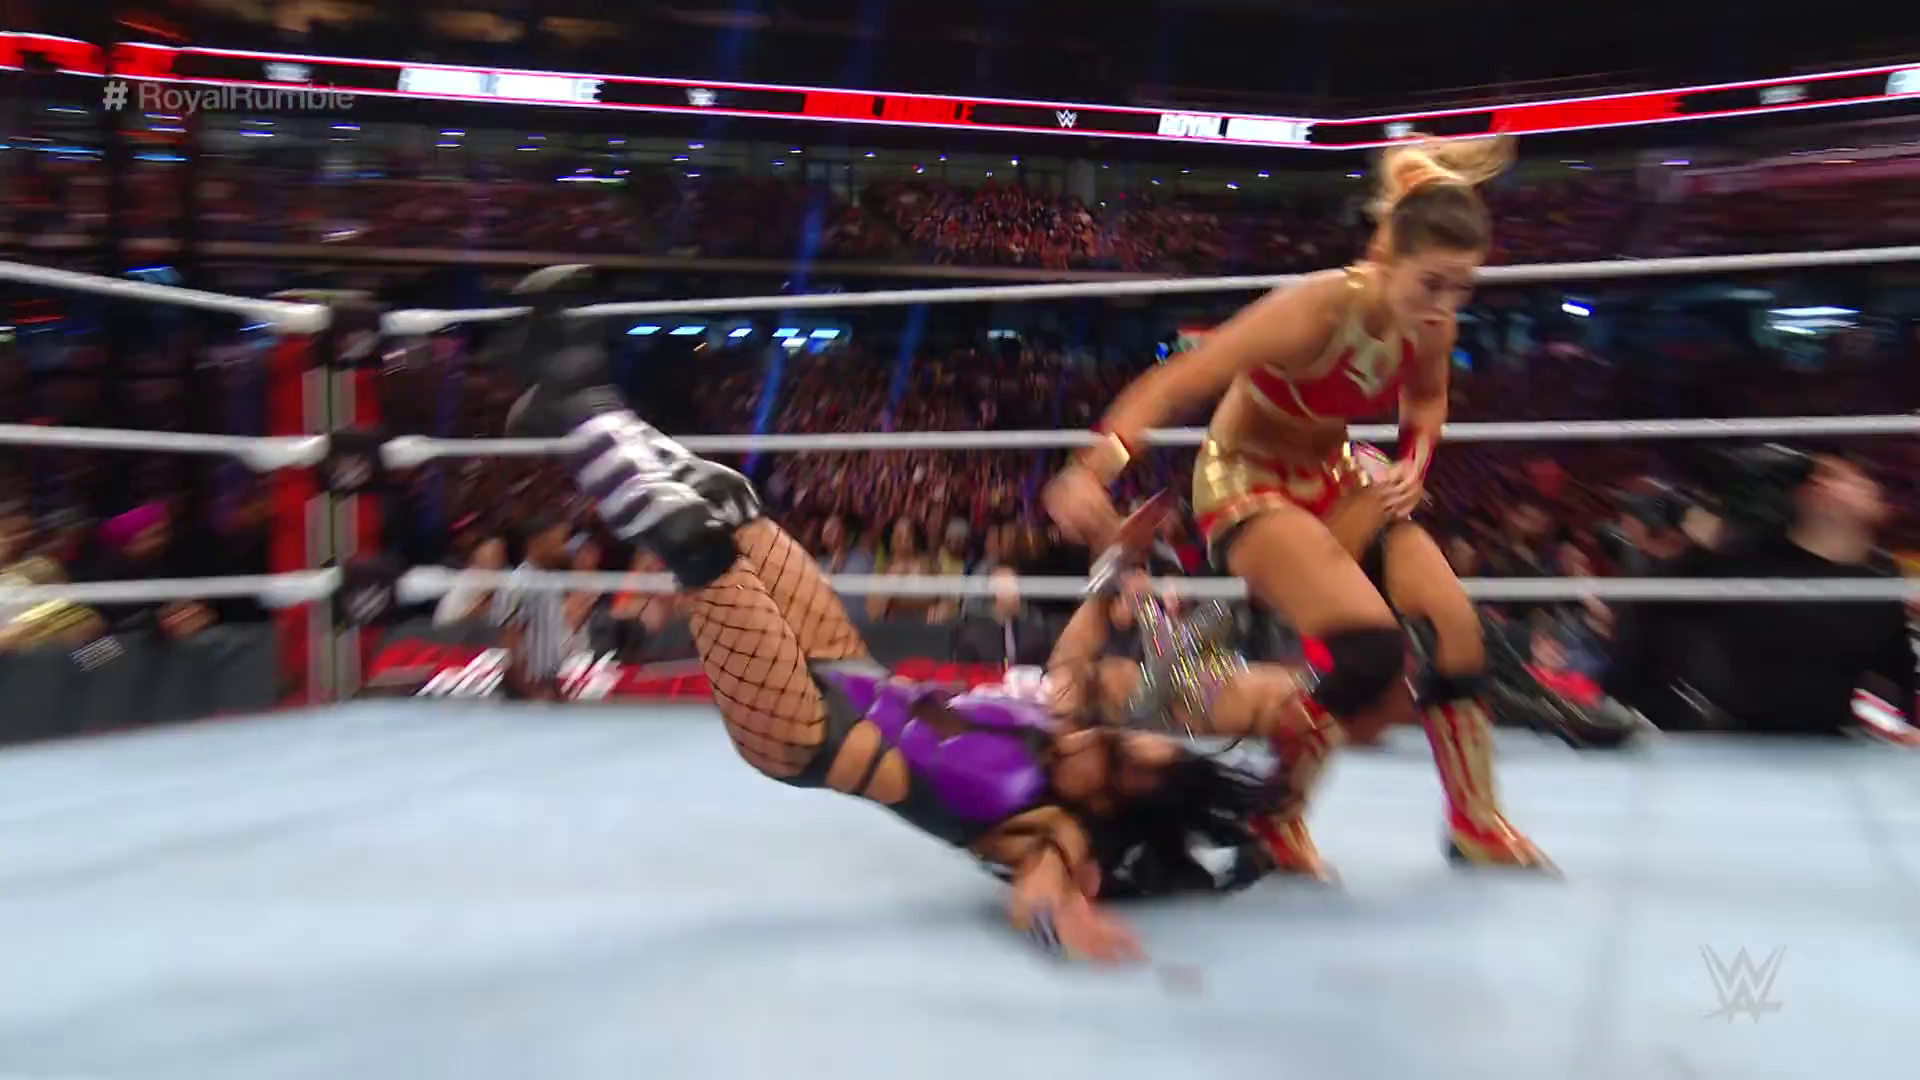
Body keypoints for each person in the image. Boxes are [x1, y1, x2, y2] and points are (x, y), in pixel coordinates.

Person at [484, 265, 1282, 964]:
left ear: (1105, 804)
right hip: (850, 665)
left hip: (805, 732)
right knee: (732, 500)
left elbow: (1042, 893)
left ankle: (580, 401)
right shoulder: (1062, 727)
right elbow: (1080, 643)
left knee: (699, 543)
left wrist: (1060, 925)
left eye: (1110, 754)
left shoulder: (1052, 833)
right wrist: (1117, 565)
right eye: (1117, 735)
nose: (1096, 736)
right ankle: (567, 414)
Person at [1043, 137, 1552, 877]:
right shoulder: (1313, 309)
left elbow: (1426, 400)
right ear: (1388, 259)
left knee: (1455, 626)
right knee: (1371, 650)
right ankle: (1275, 814)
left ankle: (1475, 822)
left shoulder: (1433, 324)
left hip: (1338, 478)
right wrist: (1094, 466)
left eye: (1460, 288)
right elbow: (1184, 378)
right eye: (1432, 284)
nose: (1445, 306)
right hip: (1246, 481)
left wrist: (1412, 464)